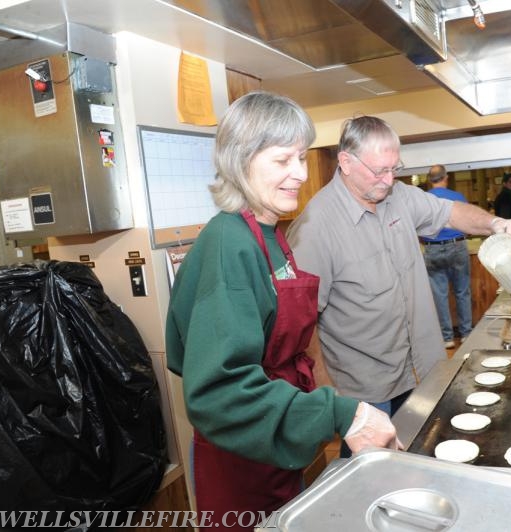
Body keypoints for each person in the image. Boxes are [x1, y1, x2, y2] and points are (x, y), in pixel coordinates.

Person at [165, 92, 398, 531]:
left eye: (303, 158)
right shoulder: (227, 242)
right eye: (282, 161)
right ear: (240, 160)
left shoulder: (271, 233)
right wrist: (341, 412)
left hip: (275, 441)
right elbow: (218, 390)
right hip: (240, 457)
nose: (300, 174)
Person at [286, 115, 511, 419]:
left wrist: (494, 222)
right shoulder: (314, 228)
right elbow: (303, 327)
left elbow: (450, 212)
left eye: (394, 169)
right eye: (379, 170)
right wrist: (330, 400)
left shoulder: (398, 196)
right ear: (345, 162)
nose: (388, 180)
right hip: (366, 394)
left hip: (423, 371)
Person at [420, 164, 473, 349]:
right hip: (457, 246)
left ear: (429, 179)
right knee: (462, 292)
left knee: (439, 295)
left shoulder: (423, 199)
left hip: (432, 249)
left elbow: (417, 227)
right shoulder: (458, 197)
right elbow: (468, 223)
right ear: (446, 177)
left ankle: (447, 337)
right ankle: (466, 334)